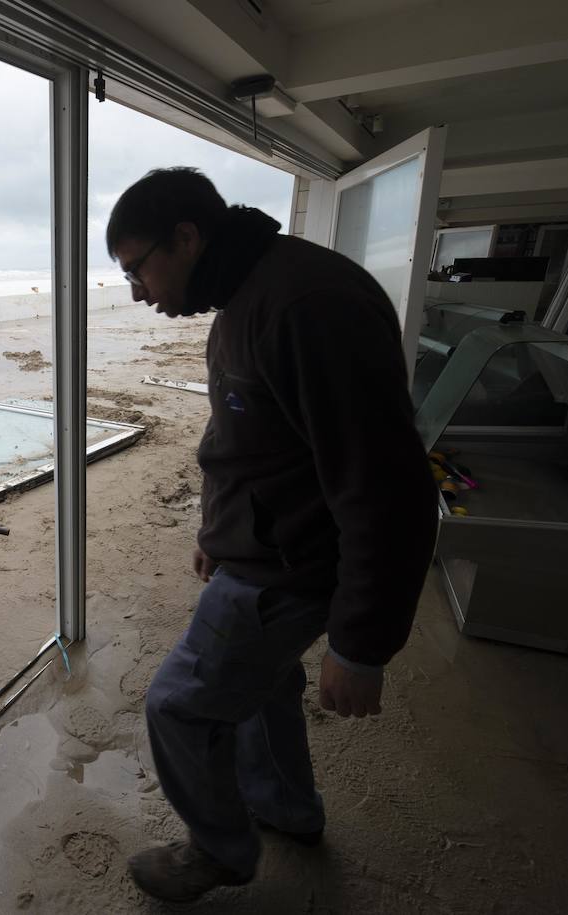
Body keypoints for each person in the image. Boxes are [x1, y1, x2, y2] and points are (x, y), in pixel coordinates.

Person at [108, 170, 437, 902]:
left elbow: (387, 485)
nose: (136, 290)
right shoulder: (246, 299)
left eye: (138, 268)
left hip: (287, 569)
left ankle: (220, 848)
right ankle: (286, 808)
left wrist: (360, 643)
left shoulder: (305, 306)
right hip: (260, 549)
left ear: (187, 238)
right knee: (258, 689)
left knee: (179, 704)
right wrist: (216, 529)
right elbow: (250, 438)